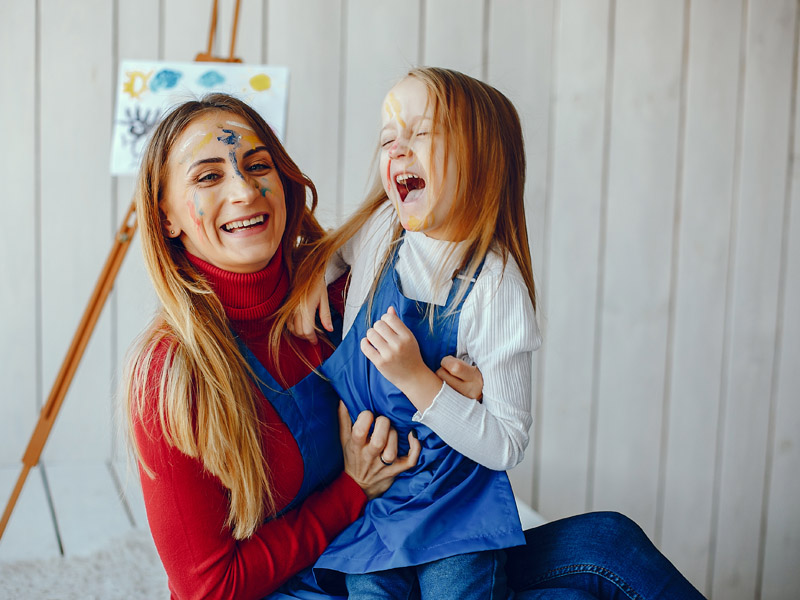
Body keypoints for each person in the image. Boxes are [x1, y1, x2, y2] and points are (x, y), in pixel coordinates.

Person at [124, 90, 705, 600]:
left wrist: (470, 381)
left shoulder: (349, 288)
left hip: (402, 539)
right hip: (295, 584)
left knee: (608, 542)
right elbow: (206, 588)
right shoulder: (170, 376)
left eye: (258, 165)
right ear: (166, 216)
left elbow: (447, 324)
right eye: (207, 177)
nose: (245, 189)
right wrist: (351, 491)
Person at [282, 66, 539, 600]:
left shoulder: (494, 287)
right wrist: (313, 276)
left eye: (420, 134)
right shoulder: (381, 233)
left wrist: (420, 380)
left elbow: (507, 442)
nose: (398, 149)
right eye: (387, 139)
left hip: (455, 515)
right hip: (374, 503)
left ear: (480, 159)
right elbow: (326, 255)